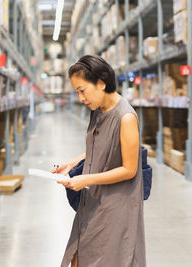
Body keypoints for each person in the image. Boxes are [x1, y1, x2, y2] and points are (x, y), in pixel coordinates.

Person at [52, 55, 146, 267]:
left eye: (82, 90)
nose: (80, 98)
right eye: (77, 92)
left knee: (108, 258)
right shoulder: (98, 110)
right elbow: (100, 149)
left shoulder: (126, 117)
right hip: (94, 199)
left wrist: (86, 180)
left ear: (101, 83)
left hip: (115, 206)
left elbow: (130, 169)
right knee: (78, 255)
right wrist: (72, 164)